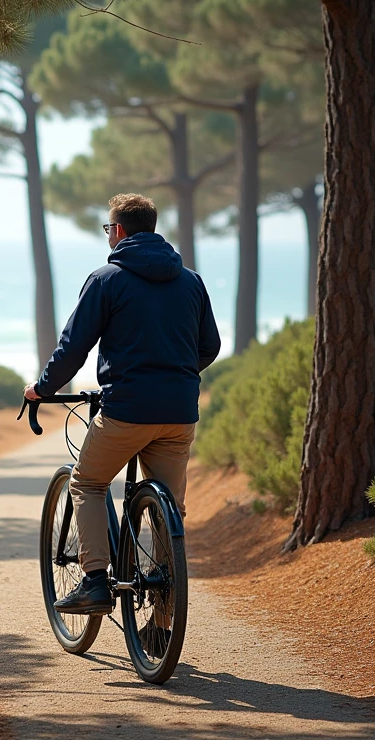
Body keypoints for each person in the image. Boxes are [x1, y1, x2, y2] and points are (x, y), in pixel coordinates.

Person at [24, 192, 221, 621]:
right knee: (168, 503)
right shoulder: (191, 281)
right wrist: (174, 373)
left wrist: (41, 389)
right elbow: (210, 347)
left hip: (127, 410)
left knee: (88, 481)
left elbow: (72, 350)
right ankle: (162, 622)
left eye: (107, 230)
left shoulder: (105, 279)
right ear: (151, 227)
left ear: (117, 231)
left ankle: (95, 580)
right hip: (179, 413)